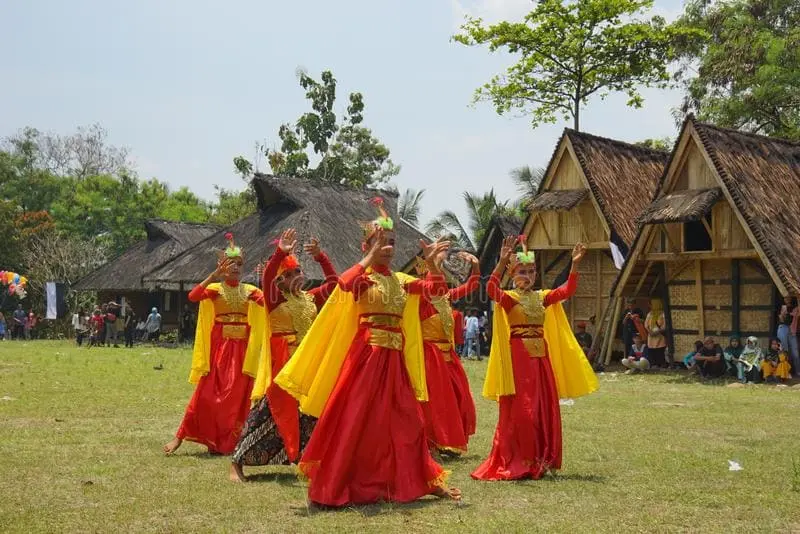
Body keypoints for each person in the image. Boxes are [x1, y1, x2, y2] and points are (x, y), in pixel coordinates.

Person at [275, 198, 461, 506]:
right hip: (366, 358)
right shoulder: (363, 277)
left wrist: (430, 265)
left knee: (410, 423)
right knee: (354, 420)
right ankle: (331, 487)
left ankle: (422, 480)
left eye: (391, 242)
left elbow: (436, 291)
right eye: (380, 243)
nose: (388, 247)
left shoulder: (401, 281)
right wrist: (368, 257)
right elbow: (343, 284)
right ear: (366, 247)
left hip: (395, 361)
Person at [472, 236, 597, 481]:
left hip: (541, 359)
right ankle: (520, 458)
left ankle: (542, 458)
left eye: (531, 271)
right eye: (522, 271)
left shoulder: (542, 297)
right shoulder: (509, 298)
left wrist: (574, 265)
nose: (527, 276)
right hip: (518, 358)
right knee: (523, 410)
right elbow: (490, 290)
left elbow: (567, 290)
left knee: (543, 408)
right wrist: (500, 263)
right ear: (512, 273)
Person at [230, 229, 338, 482]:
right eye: (287, 275)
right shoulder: (275, 299)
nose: (295, 277)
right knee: (270, 410)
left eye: (297, 272)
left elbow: (334, 285)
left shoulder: (310, 298)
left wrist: (321, 258)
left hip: (307, 364)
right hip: (284, 365)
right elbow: (268, 277)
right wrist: (280, 253)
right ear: (279, 282)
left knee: (308, 413)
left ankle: (308, 459)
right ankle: (236, 462)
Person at [164, 233, 267, 456]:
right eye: (231, 264)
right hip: (220, 351)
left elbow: (270, 304)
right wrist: (213, 276)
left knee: (239, 397)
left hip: (242, 352)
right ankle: (179, 437)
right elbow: (193, 296)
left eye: (239, 264)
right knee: (207, 394)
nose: (236, 268)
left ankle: (233, 441)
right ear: (222, 266)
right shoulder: (215, 290)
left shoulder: (251, 291)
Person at [417, 250, 480, 457]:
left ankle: (451, 441)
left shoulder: (446, 298)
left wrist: (476, 266)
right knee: (436, 403)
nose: (441, 280)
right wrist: (434, 261)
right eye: (436, 276)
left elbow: (472, 286)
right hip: (430, 357)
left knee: (459, 397)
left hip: (448, 356)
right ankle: (432, 442)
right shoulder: (421, 303)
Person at [778, 297, 800, 377]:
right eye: (785, 298)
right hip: (783, 327)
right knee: (784, 351)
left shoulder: (796, 308)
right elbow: (782, 319)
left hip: (792, 331)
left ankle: (798, 372)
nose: (786, 299)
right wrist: (783, 313)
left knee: (795, 353)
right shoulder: (782, 306)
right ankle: (785, 372)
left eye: (788, 298)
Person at [644, 298, 667, 367]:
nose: (650, 305)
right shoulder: (650, 313)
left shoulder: (663, 314)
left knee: (660, 350)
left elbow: (664, 325)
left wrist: (657, 332)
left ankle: (661, 364)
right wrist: (650, 332)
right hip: (651, 336)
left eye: (651, 304)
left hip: (659, 336)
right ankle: (654, 364)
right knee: (652, 350)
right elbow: (646, 324)